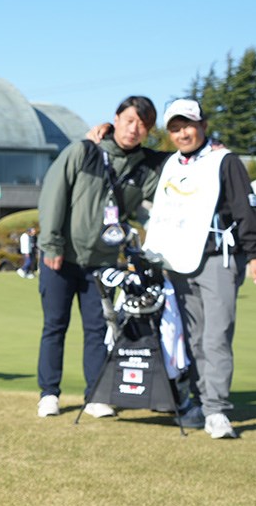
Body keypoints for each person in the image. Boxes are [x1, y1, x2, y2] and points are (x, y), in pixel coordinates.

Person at [140, 99, 256, 439]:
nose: (183, 133)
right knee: (193, 339)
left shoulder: (224, 161)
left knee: (216, 337)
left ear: (203, 125)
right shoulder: (171, 164)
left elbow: (246, 207)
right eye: (176, 128)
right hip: (179, 263)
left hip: (217, 259)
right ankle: (201, 402)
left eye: (188, 125)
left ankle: (217, 410)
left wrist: (255, 253)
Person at [35, 95, 166, 419]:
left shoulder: (146, 167)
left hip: (103, 261)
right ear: (116, 119)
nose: (135, 129)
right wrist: (52, 245)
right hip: (62, 258)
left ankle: (95, 394)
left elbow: (172, 178)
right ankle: (49, 393)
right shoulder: (84, 150)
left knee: (98, 329)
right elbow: (54, 195)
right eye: (130, 120)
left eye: (143, 125)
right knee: (55, 326)